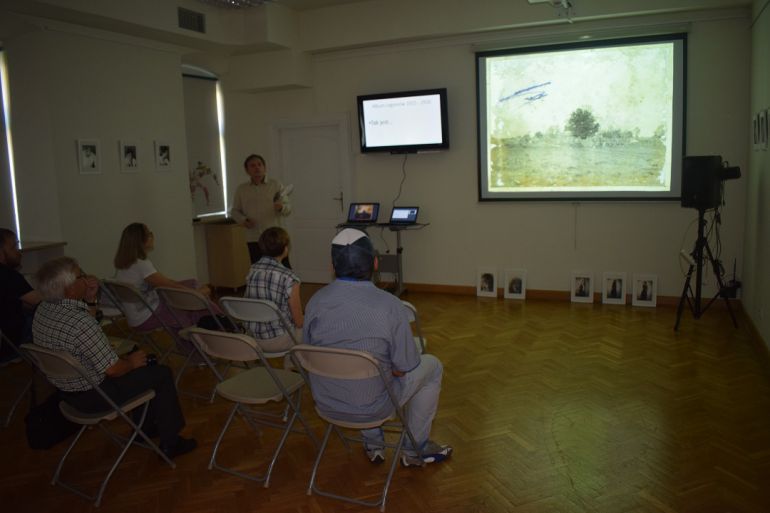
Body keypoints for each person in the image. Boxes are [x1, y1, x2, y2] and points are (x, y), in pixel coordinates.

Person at [303, 228, 452, 466]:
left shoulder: (315, 302)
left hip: (328, 403)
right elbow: (402, 368)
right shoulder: (391, 305)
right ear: (374, 263)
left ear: (332, 266)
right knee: (432, 366)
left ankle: (373, 444)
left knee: (358, 369)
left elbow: (310, 356)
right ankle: (416, 449)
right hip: (374, 408)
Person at [32, 256, 196, 458]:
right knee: (159, 372)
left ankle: (145, 428)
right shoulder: (79, 322)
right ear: (70, 289)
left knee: (143, 367)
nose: (85, 278)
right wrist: (131, 362)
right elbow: (113, 369)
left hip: (67, 392)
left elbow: (84, 333)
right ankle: (171, 442)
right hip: (96, 395)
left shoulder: (43, 310)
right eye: (80, 276)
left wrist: (91, 298)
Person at [113, 223, 214, 332]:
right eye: (149, 233)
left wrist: (192, 290)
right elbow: (168, 285)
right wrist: (195, 294)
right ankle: (219, 326)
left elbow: (165, 282)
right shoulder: (141, 264)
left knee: (192, 284)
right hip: (147, 316)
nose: (152, 236)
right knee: (190, 308)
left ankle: (216, 325)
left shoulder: (125, 265)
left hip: (140, 314)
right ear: (141, 240)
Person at [243, 227, 302, 353]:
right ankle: (298, 365)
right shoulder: (290, 278)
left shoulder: (252, 271)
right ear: (286, 248)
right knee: (312, 327)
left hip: (251, 339)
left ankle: (291, 364)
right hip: (279, 340)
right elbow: (298, 321)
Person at [231, 154, 291, 265]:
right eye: (252, 166)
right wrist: (243, 220)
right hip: (254, 237)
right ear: (247, 170)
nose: (257, 168)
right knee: (259, 268)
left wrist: (281, 207)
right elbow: (234, 211)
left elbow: (288, 208)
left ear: (265, 167)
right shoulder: (242, 189)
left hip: (275, 238)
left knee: (283, 268)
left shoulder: (276, 185)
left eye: (259, 165)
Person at [0, 229, 42, 362]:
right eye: (13, 247)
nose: (18, 252)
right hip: (10, 343)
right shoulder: (8, 275)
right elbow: (41, 302)